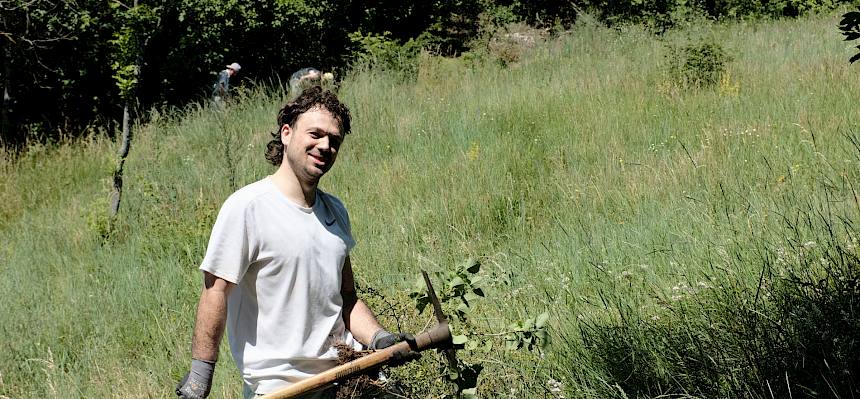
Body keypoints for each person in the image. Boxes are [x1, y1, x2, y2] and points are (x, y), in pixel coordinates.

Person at [176, 86, 408, 399]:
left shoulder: (335, 211)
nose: (325, 146)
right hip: (283, 388)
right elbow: (215, 290)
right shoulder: (249, 207)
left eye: (334, 140)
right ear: (287, 133)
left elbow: (347, 298)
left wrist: (380, 339)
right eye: (315, 133)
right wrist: (200, 376)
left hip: (348, 374)